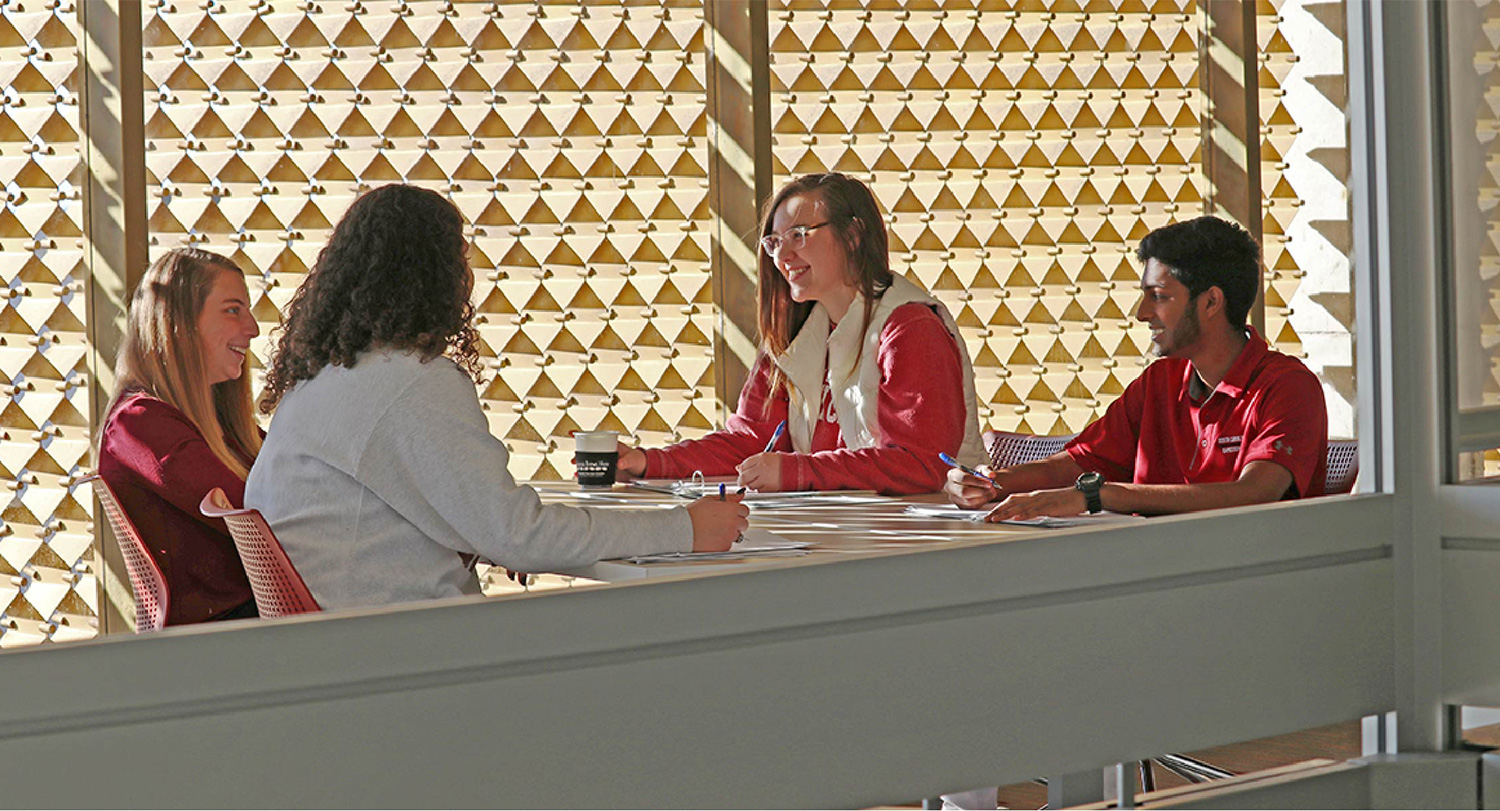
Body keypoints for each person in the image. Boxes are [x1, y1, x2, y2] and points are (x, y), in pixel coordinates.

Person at [245, 184, 747, 612]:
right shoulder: (410, 382)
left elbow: (469, 524)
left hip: (345, 649)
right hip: (411, 658)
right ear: (434, 277)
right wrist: (683, 529)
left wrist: (490, 538)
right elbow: (519, 536)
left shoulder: (318, 383)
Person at [617, 172, 987, 495]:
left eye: (798, 235)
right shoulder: (793, 334)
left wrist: (797, 471)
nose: (782, 256)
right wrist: (648, 462)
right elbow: (749, 441)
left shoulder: (910, 327)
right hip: (835, 537)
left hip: (925, 547)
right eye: (774, 242)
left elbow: (920, 464)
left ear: (854, 234)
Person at [946, 215, 1328, 520]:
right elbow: (1083, 459)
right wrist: (996, 481)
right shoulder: (1160, 381)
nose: (1142, 314)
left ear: (1211, 302)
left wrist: (1099, 496)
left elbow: (1253, 494)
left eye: (1158, 297)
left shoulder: (1288, 386)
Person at [96, 248, 263, 625]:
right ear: (179, 324)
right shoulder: (139, 424)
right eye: (233, 310)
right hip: (211, 645)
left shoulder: (218, 424)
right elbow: (263, 514)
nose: (252, 328)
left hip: (252, 628)